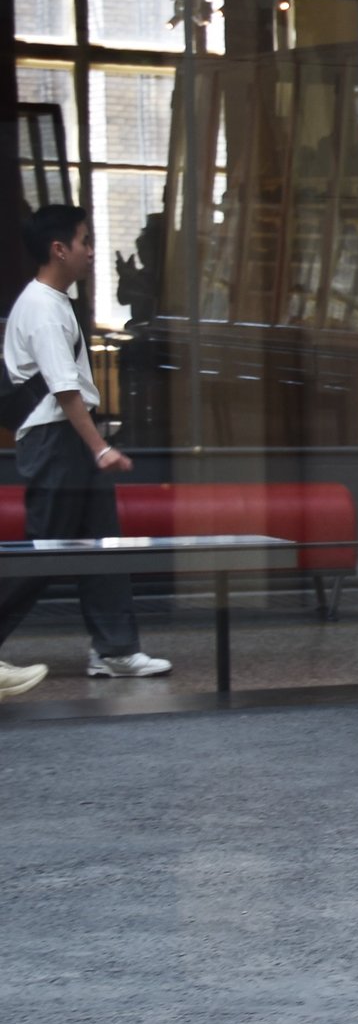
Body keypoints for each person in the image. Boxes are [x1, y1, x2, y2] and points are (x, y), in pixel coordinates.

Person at [1, 205, 168, 681]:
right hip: (59, 442)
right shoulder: (41, 308)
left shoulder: (53, 302)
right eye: (83, 240)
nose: (91, 250)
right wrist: (99, 447)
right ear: (59, 250)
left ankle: (116, 650)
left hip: (66, 440)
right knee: (44, 550)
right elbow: (65, 389)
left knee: (102, 546)